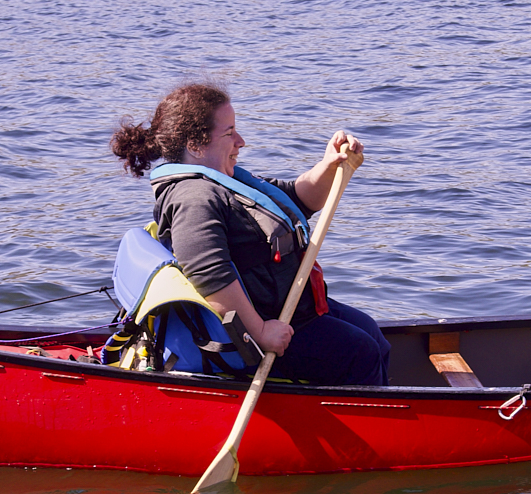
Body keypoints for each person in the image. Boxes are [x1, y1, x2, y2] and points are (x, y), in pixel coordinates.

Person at [110, 82, 390, 386]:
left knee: (373, 335)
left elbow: (297, 199)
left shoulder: (224, 182)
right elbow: (207, 271)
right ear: (195, 144)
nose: (240, 141)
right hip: (259, 328)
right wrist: (259, 332)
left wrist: (329, 165)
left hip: (295, 309)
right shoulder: (193, 198)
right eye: (229, 133)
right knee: (359, 353)